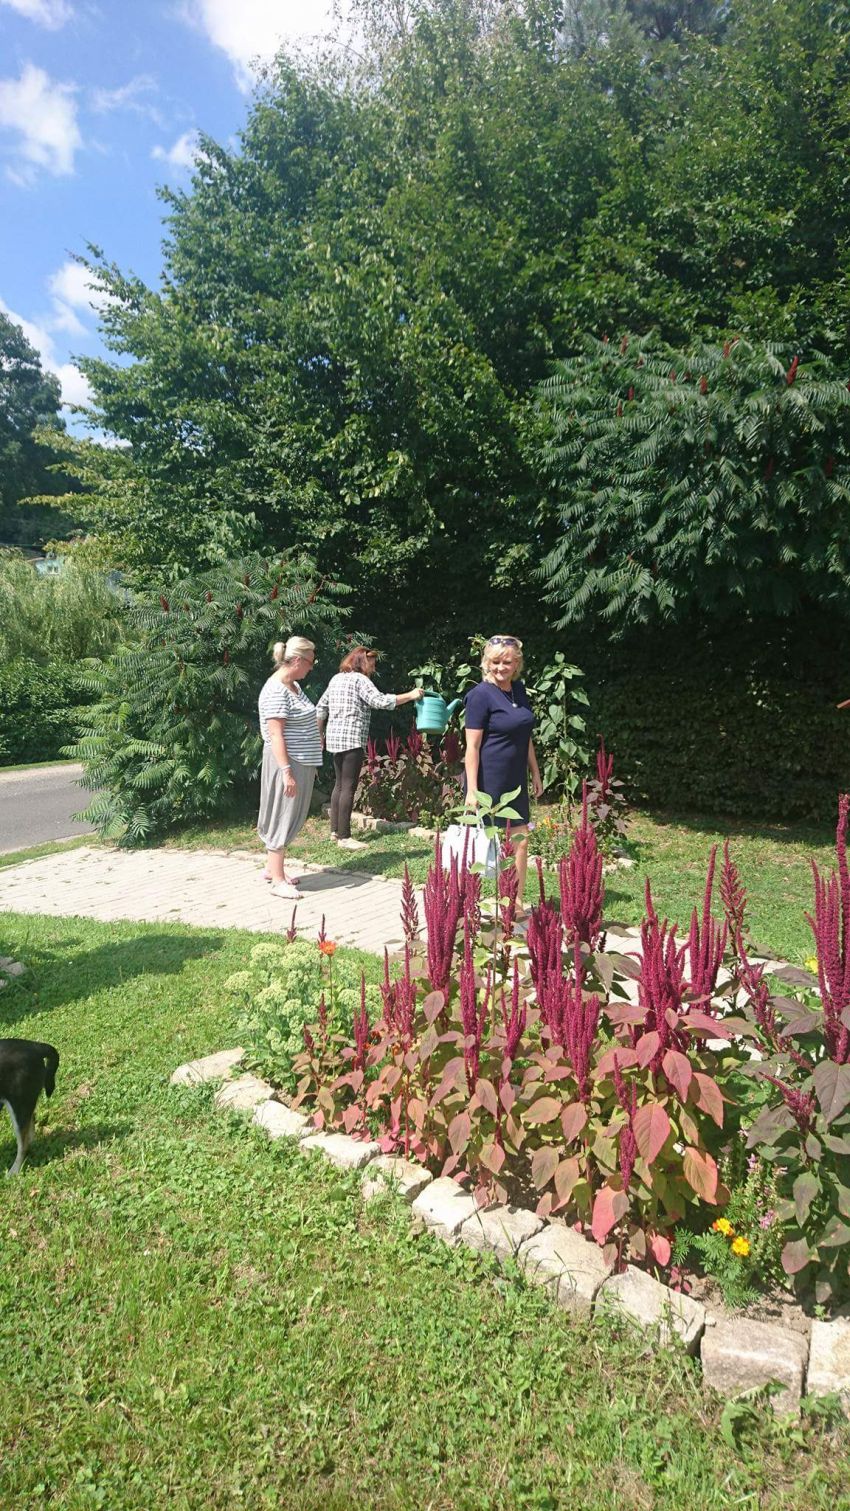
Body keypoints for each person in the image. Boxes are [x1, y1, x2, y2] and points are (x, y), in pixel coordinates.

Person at [315, 648, 424, 849]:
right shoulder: (360, 680)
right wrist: (411, 695)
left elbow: (321, 708)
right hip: (352, 739)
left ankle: (334, 831)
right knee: (349, 786)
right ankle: (345, 837)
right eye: (371, 664)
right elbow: (380, 701)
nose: (373, 669)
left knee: (339, 785)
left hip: (335, 740)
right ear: (361, 662)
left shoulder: (336, 679)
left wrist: (320, 735)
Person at [463, 634, 543, 904]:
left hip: (515, 780)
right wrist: (472, 791)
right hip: (489, 780)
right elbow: (472, 747)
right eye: (495, 662)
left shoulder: (518, 690)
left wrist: (535, 771)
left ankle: (514, 902)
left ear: (516, 664)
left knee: (520, 840)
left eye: (506, 662)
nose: (500, 668)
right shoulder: (480, 696)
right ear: (486, 662)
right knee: (483, 841)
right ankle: (470, 901)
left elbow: (525, 735)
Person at [257, 636, 323, 900]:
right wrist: (286, 772)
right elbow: (276, 735)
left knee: (288, 814)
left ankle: (272, 869)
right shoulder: (276, 690)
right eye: (309, 662)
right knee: (282, 815)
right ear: (297, 660)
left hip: (300, 760)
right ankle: (277, 881)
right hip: (288, 762)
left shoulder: (293, 685)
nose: (311, 667)